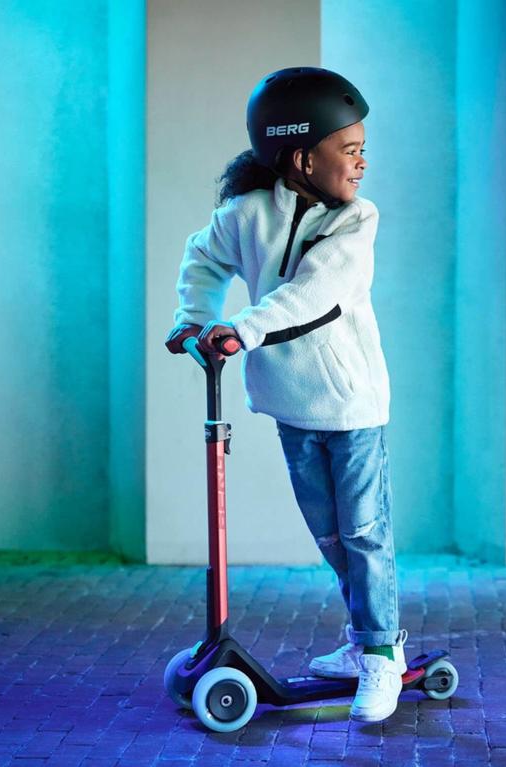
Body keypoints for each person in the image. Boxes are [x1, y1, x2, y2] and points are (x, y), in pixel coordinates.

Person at [165, 66, 406, 723]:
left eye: (361, 149)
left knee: (362, 532)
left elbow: (315, 296)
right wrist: (193, 315)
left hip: (351, 403)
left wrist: (236, 330)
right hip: (289, 404)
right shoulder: (245, 213)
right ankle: (365, 638)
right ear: (303, 157)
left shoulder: (357, 222)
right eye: (348, 149)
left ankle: (381, 653)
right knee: (330, 533)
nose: (361, 162)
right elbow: (203, 254)